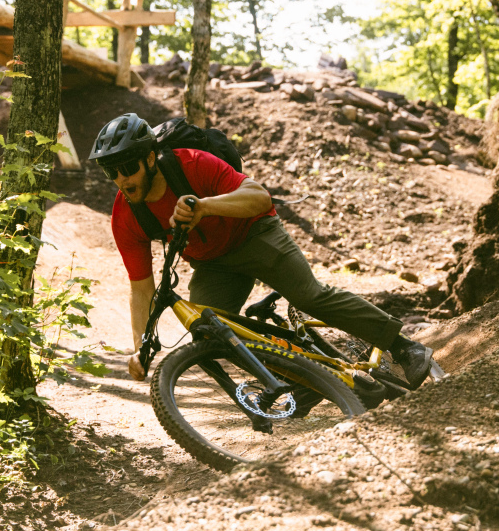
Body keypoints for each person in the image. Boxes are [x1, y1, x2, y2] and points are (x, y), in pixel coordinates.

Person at [89, 113, 434, 387]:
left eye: (128, 167)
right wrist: (140, 348)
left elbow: (259, 197)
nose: (121, 179)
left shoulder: (192, 163)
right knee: (206, 338)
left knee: (310, 295)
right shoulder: (126, 216)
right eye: (111, 172)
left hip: (254, 232)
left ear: (150, 158)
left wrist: (205, 207)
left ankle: (405, 347)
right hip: (214, 265)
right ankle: (304, 382)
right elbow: (141, 288)